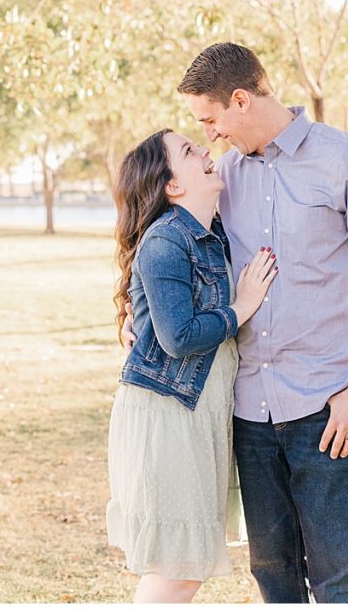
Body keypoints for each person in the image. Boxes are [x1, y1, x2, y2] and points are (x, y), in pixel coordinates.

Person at [122, 43, 348, 603]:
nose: (210, 136)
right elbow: (162, 244)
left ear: (239, 100)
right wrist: (138, 320)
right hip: (248, 415)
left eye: (210, 120)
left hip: (328, 408)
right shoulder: (222, 178)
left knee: (341, 583)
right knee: (274, 581)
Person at [107, 128, 278, 603]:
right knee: (178, 568)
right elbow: (178, 337)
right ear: (172, 186)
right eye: (189, 151)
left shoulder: (215, 232)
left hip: (198, 412)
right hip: (168, 415)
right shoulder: (166, 240)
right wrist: (240, 309)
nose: (206, 150)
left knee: (184, 566)